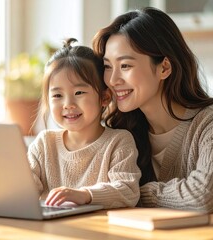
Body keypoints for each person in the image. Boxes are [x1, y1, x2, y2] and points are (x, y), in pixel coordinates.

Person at [92, 7, 213, 214]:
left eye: (125, 66)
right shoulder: (124, 132)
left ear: (164, 68)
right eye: (108, 66)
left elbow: (209, 197)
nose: (113, 80)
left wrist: (132, 193)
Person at [27, 38, 141, 209]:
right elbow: (24, 189)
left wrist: (85, 195)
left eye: (79, 92)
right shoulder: (44, 143)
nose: (68, 104)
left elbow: (127, 191)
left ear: (104, 97)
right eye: (57, 95)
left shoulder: (118, 141)